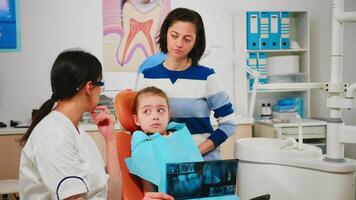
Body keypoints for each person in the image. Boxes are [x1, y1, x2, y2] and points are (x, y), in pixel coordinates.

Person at [18, 49, 170, 200]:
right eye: (100, 84)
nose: (100, 91)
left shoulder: (78, 132)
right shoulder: (54, 134)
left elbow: (113, 195)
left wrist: (110, 139)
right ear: (90, 87)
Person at [136, 8, 237, 160]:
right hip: (162, 162)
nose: (179, 44)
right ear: (165, 34)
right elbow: (138, 123)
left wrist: (196, 151)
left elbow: (229, 124)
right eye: (174, 36)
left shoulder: (206, 77)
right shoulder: (147, 76)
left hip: (202, 162)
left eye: (187, 39)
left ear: (196, 41)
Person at [126, 86, 203, 194]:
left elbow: (200, 169)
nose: (155, 116)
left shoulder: (181, 135)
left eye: (160, 110)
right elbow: (149, 192)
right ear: (137, 119)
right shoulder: (144, 146)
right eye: (147, 111)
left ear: (168, 116)